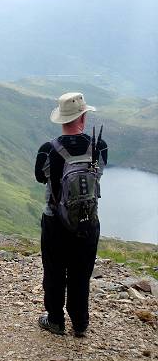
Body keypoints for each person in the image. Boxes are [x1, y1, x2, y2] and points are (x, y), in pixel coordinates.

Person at [34, 92, 108, 337]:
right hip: (88, 221)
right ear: (83, 117)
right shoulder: (99, 146)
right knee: (81, 272)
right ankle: (80, 322)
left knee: (54, 271)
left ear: (61, 118)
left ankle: (55, 320)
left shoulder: (47, 150)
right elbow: (99, 174)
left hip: (55, 221)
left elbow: (40, 177)